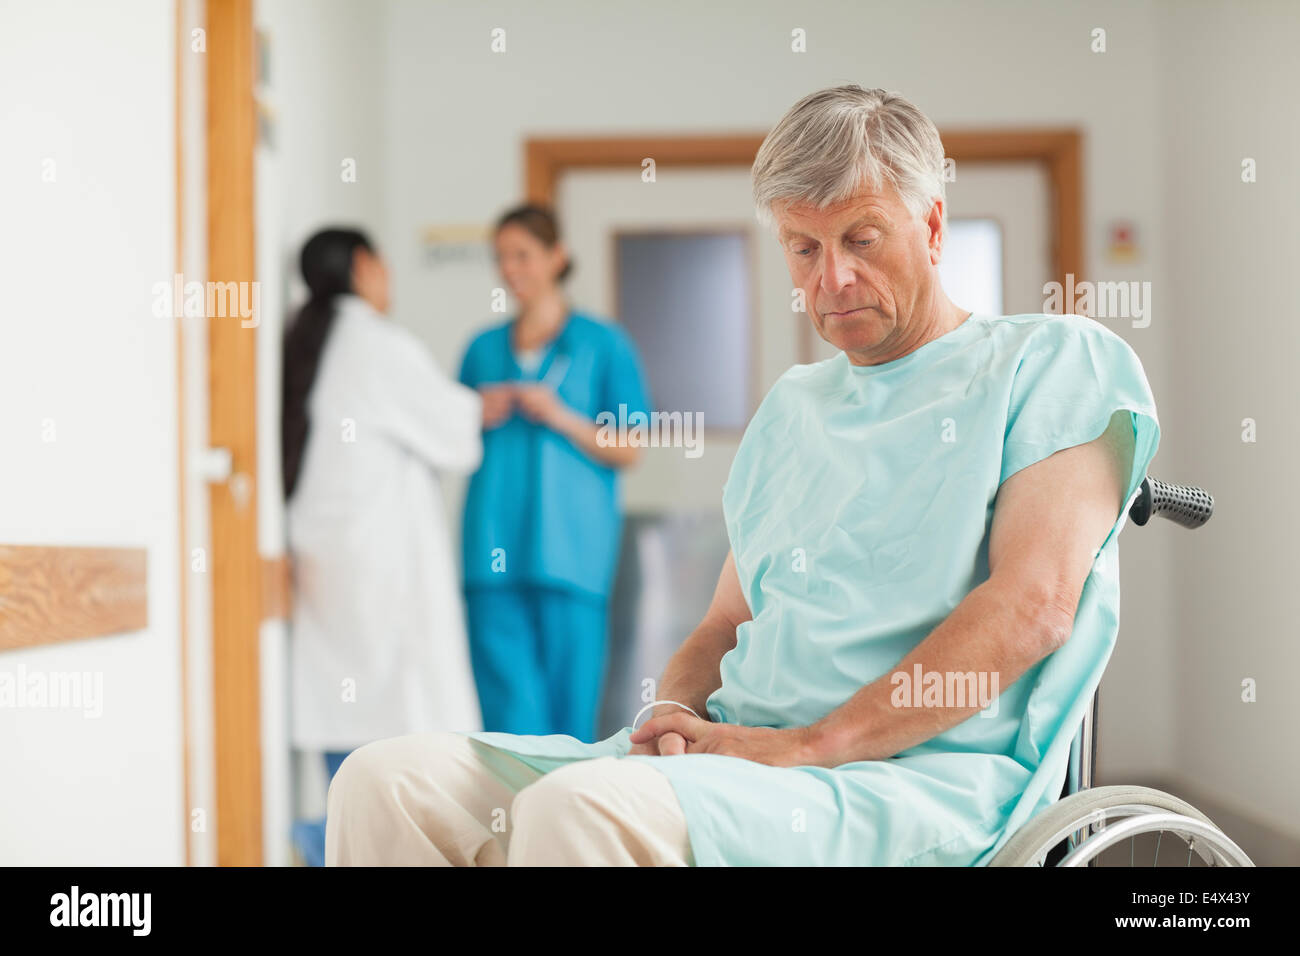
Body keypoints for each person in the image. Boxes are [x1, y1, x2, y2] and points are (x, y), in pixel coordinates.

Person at [324, 86, 1160, 867]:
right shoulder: (795, 406)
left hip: (908, 777)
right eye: (804, 248)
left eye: (861, 240)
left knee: (577, 811)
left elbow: (1034, 607)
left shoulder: (1055, 363)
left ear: (933, 226)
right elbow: (725, 621)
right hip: (738, 756)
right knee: (382, 780)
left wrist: (811, 744)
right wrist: (677, 714)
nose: (831, 279)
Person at [281, 227, 484, 866]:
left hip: (320, 558)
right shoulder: (376, 343)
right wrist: (480, 407)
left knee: (348, 705)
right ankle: (352, 845)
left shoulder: (302, 341)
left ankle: (328, 842)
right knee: (401, 714)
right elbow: (456, 435)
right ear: (365, 267)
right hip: (377, 562)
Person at [455, 204, 652, 742]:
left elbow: (629, 446)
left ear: (556, 257)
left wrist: (562, 416)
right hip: (491, 557)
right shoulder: (481, 350)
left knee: (568, 723)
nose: (510, 269)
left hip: (571, 557)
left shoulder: (603, 344)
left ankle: (560, 824)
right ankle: (512, 824)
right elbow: (447, 438)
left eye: (522, 255)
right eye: (501, 258)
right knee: (508, 715)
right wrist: (472, 411)